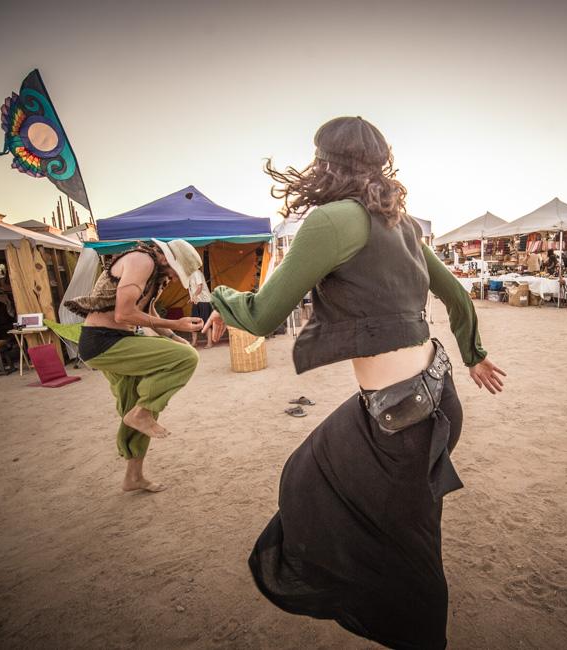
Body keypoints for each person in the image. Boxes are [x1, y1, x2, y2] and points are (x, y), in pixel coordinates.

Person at [203, 116, 505, 649]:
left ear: (324, 162)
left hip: (403, 421)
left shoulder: (332, 221)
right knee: (313, 471)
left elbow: (264, 315)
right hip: (437, 395)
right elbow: (457, 296)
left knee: (411, 556)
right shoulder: (400, 223)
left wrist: (219, 297)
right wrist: (474, 355)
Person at [64, 240, 206, 492]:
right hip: (102, 341)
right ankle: (142, 413)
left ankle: (134, 476)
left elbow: (147, 313)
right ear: (166, 258)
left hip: (119, 339)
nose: (175, 278)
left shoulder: (156, 274)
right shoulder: (142, 261)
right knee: (186, 358)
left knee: (138, 408)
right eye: (176, 271)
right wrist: (176, 325)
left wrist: (174, 337)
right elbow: (124, 314)